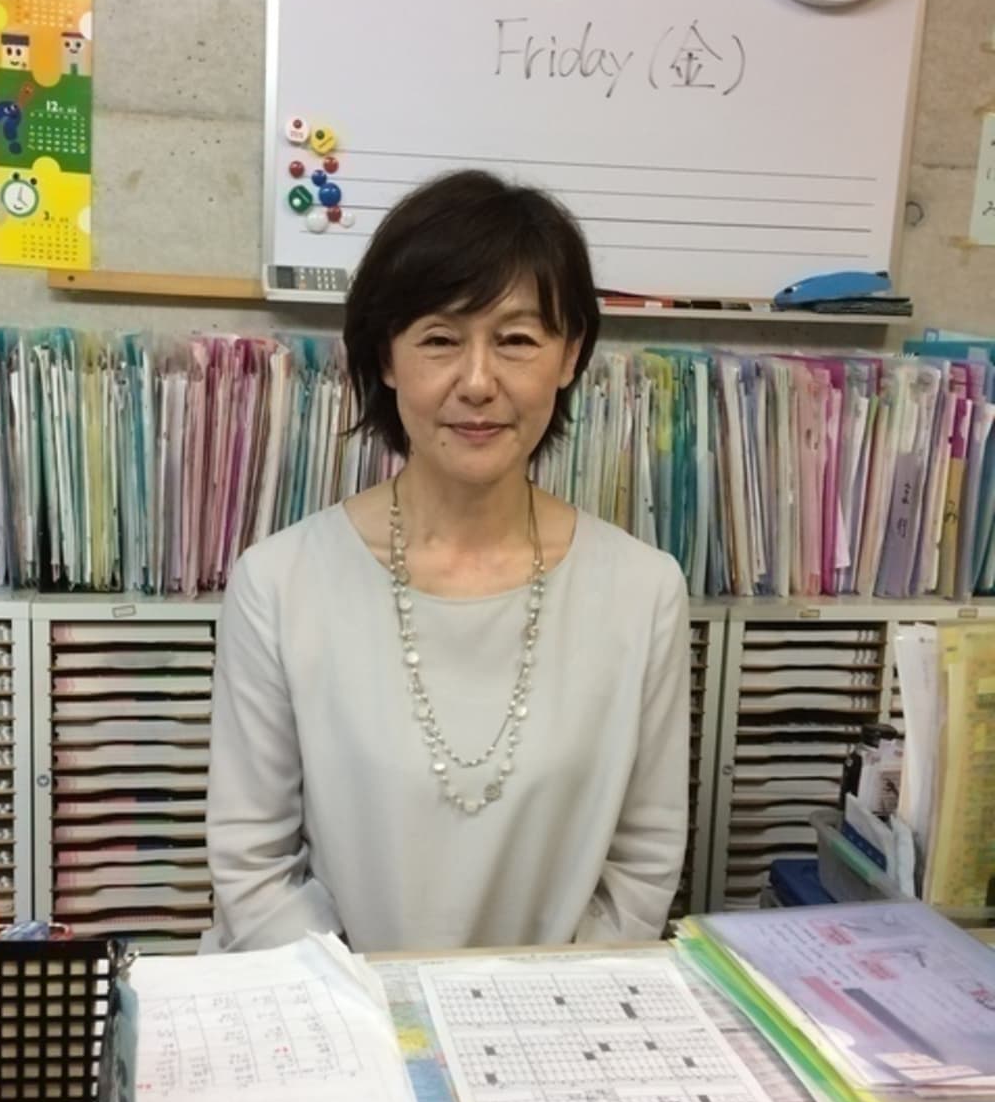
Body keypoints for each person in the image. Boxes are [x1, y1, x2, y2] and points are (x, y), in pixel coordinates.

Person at [201, 169, 689, 953]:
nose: (478, 382)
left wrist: (546, 1006)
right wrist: (379, 1013)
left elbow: (643, 861)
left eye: (517, 340)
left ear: (570, 356)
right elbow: (254, 866)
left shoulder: (644, 591)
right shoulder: (279, 583)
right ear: (387, 358)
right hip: (342, 1013)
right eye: (439, 339)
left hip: (557, 1015)